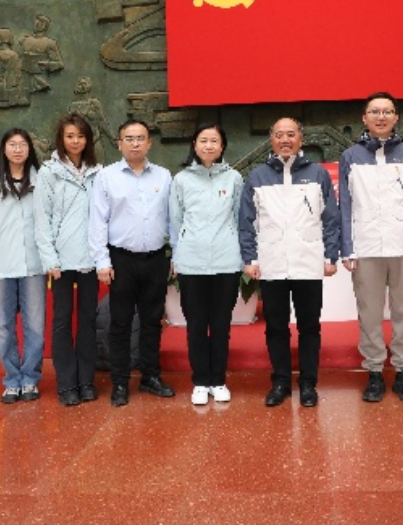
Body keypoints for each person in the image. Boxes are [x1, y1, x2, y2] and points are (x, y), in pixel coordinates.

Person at [239, 118, 340, 407]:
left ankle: (308, 384)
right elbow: (246, 222)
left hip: (308, 262)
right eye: (279, 135)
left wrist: (330, 256)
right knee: (276, 327)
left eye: (291, 134)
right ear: (271, 140)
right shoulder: (257, 176)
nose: (285, 140)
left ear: (301, 139)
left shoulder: (317, 174)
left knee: (309, 327)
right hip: (271, 264)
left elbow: (330, 218)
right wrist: (250, 258)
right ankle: (280, 382)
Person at [339, 92, 403, 403]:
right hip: (366, 248)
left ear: (396, 117)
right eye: (375, 112)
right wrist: (348, 249)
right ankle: (375, 372)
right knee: (369, 313)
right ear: (364, 118)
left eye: (387, 111)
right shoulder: (351, 157)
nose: (381, 117)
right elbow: (345, 206)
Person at [88, 119, 175, 407]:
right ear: (119, 143)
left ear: (149, 143)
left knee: (152, 321)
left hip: (156, 259)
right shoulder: (106, 177)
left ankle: (150, 376)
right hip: (121, 260)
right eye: (129, 138)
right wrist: (102, 261)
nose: (135, 143)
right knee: (120, 323)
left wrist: (175, 255)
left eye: (140, 138)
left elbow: (173, 220)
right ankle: (120, 382)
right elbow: (98, 221)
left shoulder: (163, 176)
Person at [169, 123, 244, 405]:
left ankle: (219, 380)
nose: (209, 146)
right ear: (194, 144)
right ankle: (200, 381)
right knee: (197, 325)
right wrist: (177, 256)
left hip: (226, 261)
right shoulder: (181, 180)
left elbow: (239, 217)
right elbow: (175, 221)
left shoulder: (234, 178)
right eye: (203, 140)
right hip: (191, 262)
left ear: (222, 146)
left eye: (214, 141)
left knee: (221, 325)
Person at [0, 128, 45, 404]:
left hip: (33, 265)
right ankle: (12, 379)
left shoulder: (41, 181)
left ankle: (30, 379)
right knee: (2, 327)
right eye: (12, 144)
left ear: (29, 149)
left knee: (35, 326)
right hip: (0, 266)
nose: (17, 149)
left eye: (22, 144)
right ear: (4, 149)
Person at [35, 114, 102, 407]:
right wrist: (50, 259)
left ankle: (86, 380)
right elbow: (42, 219)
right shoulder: (49, 172)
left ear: (88, 140)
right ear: (61, 139)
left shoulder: (98, 173)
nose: (75, 141)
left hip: (90, 259)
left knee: (88, 320)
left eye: (81, 136)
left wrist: (102, 257)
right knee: (62, 320)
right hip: (60, 263)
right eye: (70, 136)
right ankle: (66, 384)